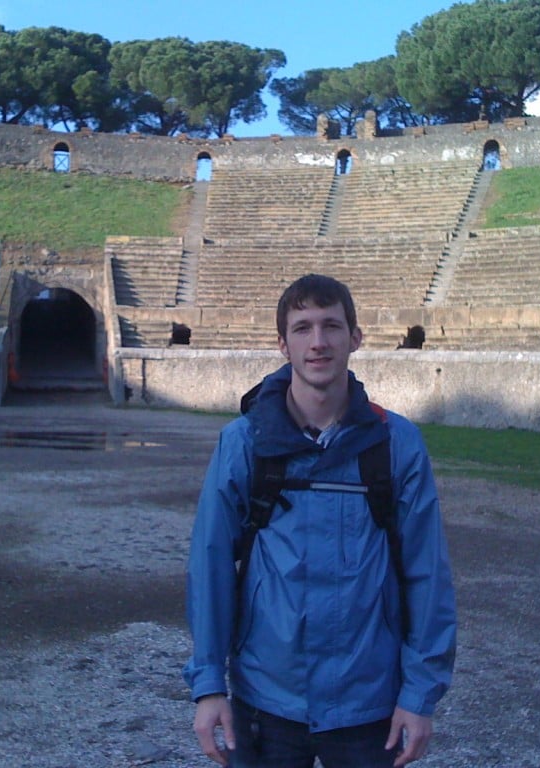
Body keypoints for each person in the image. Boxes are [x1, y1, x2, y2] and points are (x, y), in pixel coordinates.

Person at [184, 274, 456, 768]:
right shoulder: (243, 444)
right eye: (303, 327)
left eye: (331, 326)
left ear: (355, 338)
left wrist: (419, 695)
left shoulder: (397, 444)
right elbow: (211, 566)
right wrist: (208, 686)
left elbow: (427, 575)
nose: (318, 342)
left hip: (368, 704)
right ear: (282, 343)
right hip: (266, 699)